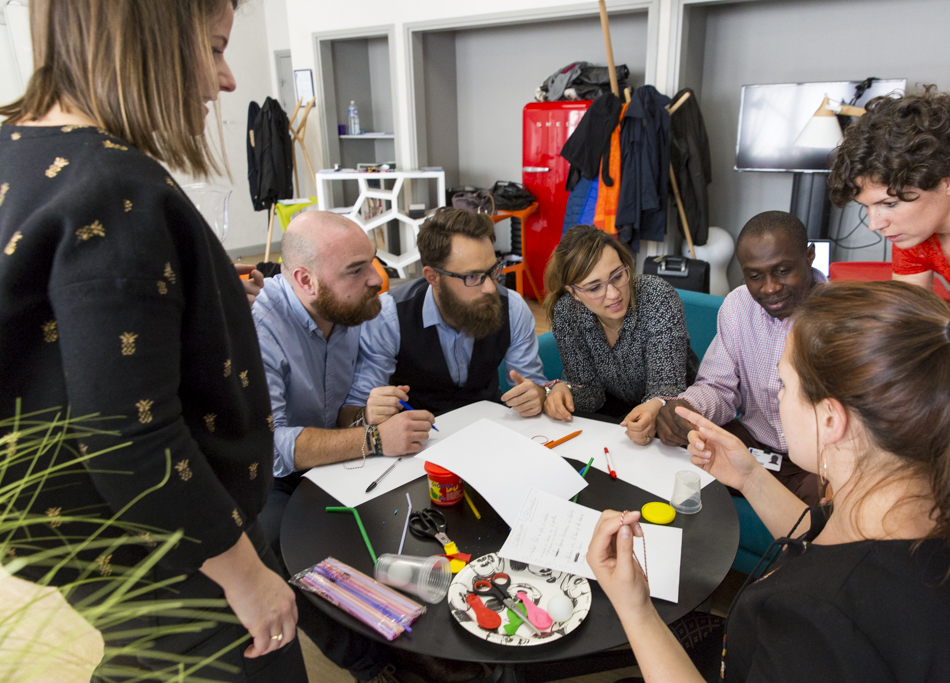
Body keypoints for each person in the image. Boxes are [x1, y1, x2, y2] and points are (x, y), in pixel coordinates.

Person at [0, 2, 392, 681]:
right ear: (147, 35)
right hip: (175, 550)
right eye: (213, 47)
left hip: (102, 543)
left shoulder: (18, 150)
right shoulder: (113, 188)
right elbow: (129, 434)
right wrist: (245, 573)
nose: (227, 79)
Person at [589, 281, 950, 682]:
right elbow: (827, 540)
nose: (776, 398)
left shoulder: (814, 617)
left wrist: (635, 607)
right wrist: (749, 476)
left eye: (783, 384)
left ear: (831, 419)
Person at [252, 211, 434, 561]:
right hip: (273, 478)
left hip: (335, 460)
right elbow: (270, 447)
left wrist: (364, 415)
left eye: (373, 262)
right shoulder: (258, 328)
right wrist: (374, 438)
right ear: (306, 280)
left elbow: (341, 413)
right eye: (355, 270)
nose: (376, 279)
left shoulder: (348, 309)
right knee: (279, 549)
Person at [655, 211, 826, 505]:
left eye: (783, 270)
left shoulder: (842, 318)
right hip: (752, 443)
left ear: (809, 256)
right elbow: (719, 387)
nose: (770, 287)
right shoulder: (737, 305)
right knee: (675, 468)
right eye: (755, 276)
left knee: (826, 510)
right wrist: (688, 409)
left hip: (818, 459)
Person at [829, 85, 950, 320]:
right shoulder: (914, 237)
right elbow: (907, 318)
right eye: (866, 206)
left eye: (889, 204)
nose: (875, 225)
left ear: (948, 180)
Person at [347, 207, 547, 419]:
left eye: (492, 271)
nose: (490, 287)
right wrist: (368, 413)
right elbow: (355, 409)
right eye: (472, 276)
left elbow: (534, 384)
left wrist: (538, 394)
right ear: (433, 278)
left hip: (489, 426)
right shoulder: (388, 316)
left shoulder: (512, 307)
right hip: (417, 432)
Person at [541, 224, 698, 444]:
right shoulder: (567, 313)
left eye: (617, 276)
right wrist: (559, 390)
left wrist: (654, 407)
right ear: (573, 293)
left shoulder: (657, 296)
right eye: (594, 288)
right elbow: (590, 394)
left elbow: (667, 388)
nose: (613, 294)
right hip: (616, 418)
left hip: (674, 418)